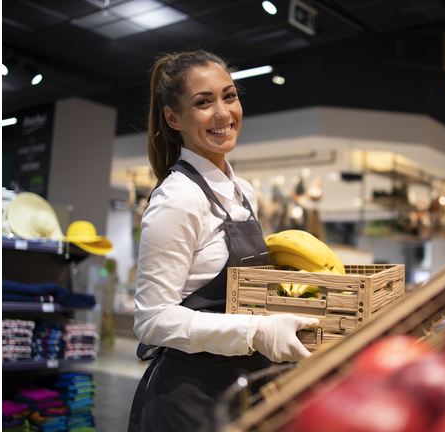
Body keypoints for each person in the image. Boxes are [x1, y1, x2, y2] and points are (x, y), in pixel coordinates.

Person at [127, 50, 319, 432]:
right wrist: (255, 332)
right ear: (173, 117)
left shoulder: (243, 191)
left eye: (228, 96)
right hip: (190, 401)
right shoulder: (178, 199)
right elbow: (151, 320)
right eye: (203, 102)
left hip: (243, 387)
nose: (222, 113)